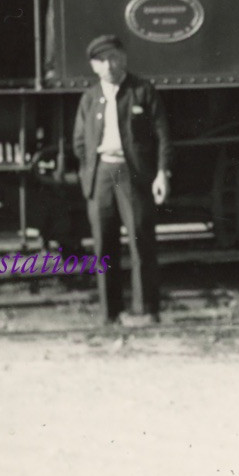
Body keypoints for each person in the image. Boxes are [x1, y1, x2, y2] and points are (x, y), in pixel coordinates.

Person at [72, 35, 170, 325]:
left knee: (141, 239)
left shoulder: (142, 91)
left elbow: (163, 136)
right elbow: (80, 142)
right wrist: (89, 172)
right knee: (104, 244)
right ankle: (109, 313)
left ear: (123, 58)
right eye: (103, 60)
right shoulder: (90, 98)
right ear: (94, 66)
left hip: (132, 173)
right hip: (102, 173)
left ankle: (146, 310)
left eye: (114, 58)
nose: (110, 65)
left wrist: (162, 171)